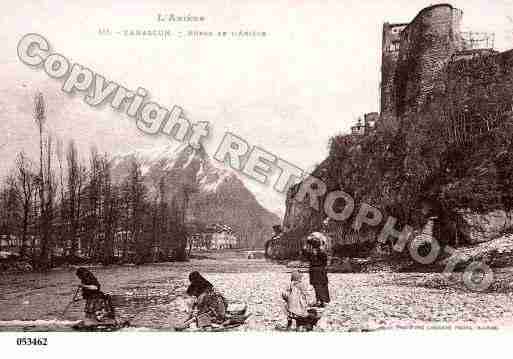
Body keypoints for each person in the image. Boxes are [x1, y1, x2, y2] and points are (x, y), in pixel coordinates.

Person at [303, 234, 331, 307]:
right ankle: (323, 300)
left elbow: (306, 256)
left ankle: (320, 300)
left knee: (317, 286)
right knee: (322, 285)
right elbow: (325, 261)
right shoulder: (321, 252)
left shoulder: (312, 252)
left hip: (315, 270)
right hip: (320, 270)